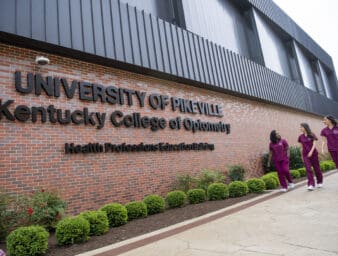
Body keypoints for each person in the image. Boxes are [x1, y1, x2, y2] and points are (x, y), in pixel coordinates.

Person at [298, 123, 323, 190]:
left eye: (301, 127)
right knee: (308, 169)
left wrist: (311, 152)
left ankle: (319, 181)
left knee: (316, 168)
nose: (300, 128)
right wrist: (301, 156)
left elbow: (314, 144)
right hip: (305, 155)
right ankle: (311, 184)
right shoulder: (300, 137)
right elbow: (301, 147)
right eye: (300, 127)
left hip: (313, 154)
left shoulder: (312, 134)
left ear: (305, 127)